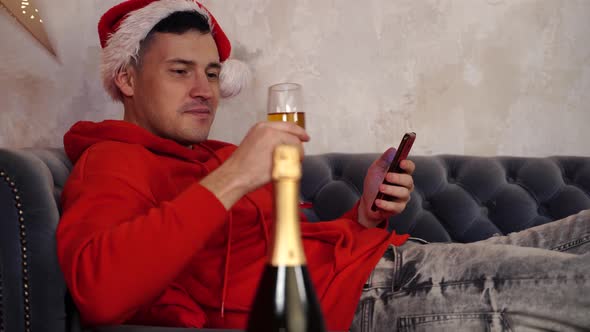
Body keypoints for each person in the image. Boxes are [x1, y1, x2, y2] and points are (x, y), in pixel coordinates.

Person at [56, 0, 590, 331]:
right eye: (180, 71)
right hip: (378, 295)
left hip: (397, 264)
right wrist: (236, 175)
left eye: (213, 73)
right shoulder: (112, 161)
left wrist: (363, 214)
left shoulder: (210, 157)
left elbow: (285, 253)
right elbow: (101, 294)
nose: (204, 91)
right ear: (126, 79)